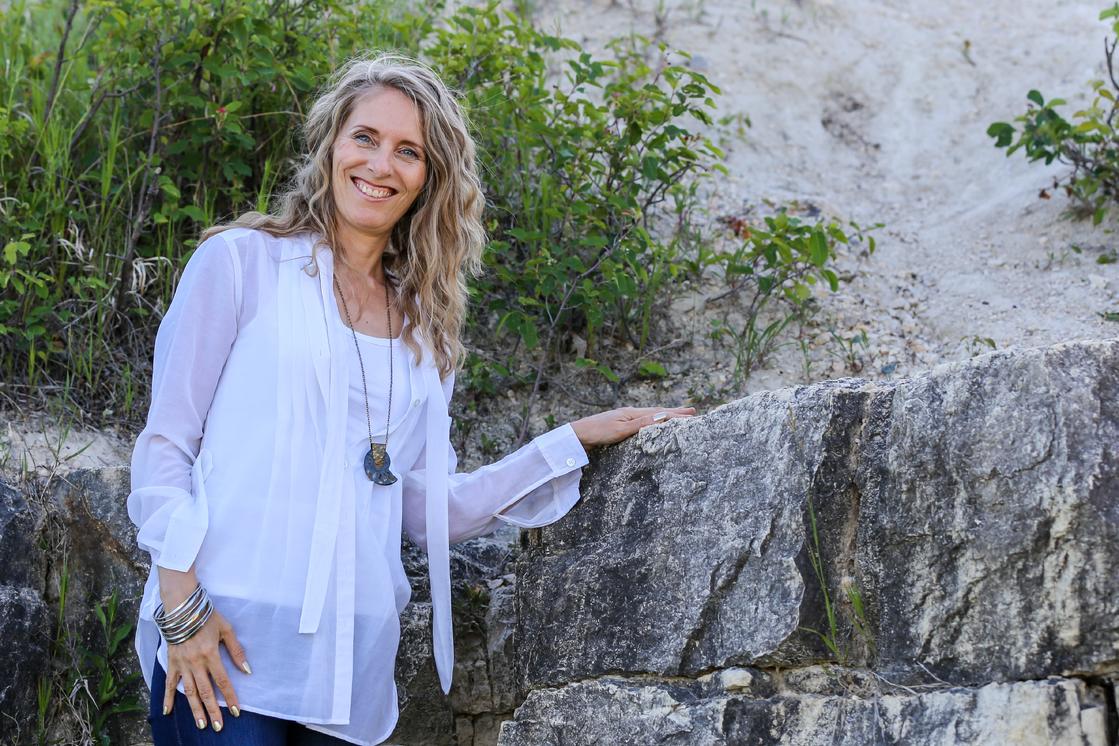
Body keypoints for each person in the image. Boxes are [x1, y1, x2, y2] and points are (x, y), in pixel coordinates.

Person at [127, 52, 696, 745]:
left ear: (429, 179)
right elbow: (166, 446)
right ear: (330, 143)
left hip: (351, 657)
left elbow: (427, 508)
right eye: (364, 137)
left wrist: (568, 442)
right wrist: (180, 609)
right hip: (224, 634)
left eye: (408, 152)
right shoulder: (242, 264)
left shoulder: (427, 325)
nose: (379, 165)